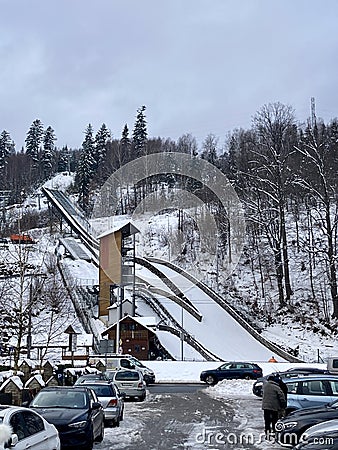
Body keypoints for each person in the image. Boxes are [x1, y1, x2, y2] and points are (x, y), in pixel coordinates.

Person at [262, 375, 287, 440]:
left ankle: (267, 435)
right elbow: (282, 397)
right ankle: (274, 434)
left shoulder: (265, 386)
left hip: (265, 406)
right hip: (274, 407)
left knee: (267, 421)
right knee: (274, 421)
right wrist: (284, 405)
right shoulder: (276, 387)